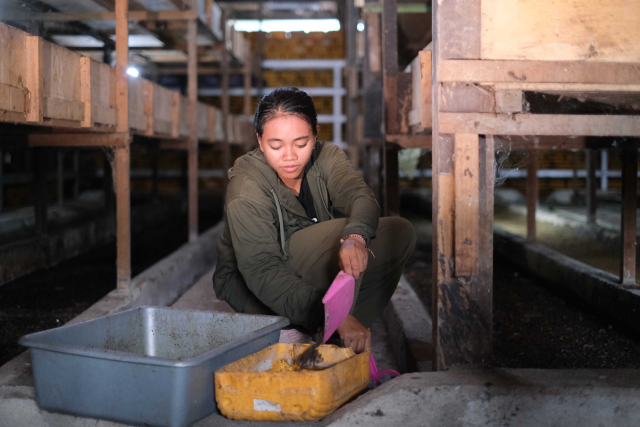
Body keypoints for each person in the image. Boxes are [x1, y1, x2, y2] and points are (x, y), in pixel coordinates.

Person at [213, 87, 416, 354]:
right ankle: (322, 324)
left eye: (301, 143)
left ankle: (333, 341)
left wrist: (355, 237)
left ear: (315, 135)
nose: (289, 156)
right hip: (257, 284)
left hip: (300, 265)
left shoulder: (327, 156)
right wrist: (334, 316)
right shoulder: (246, 190)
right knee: (339, 236)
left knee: (398, 233)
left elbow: (360, 196)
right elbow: (261, 269)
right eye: (276, 145)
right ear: (260, 141)